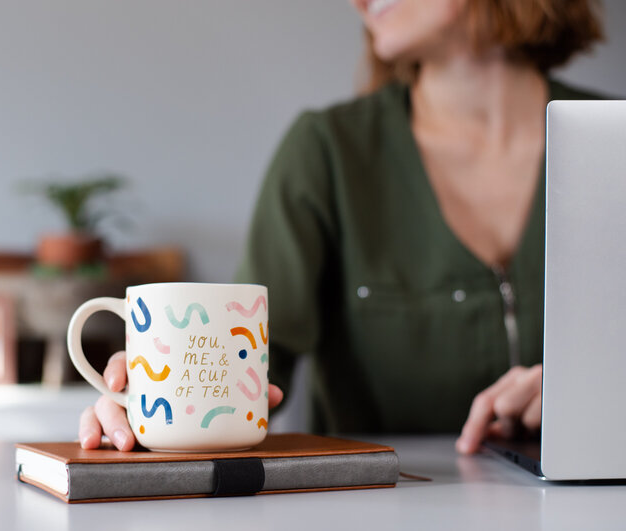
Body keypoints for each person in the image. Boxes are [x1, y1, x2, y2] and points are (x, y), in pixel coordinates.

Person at [78, 0, 605, 454]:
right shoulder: (327, 154)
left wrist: (596, 395)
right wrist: (168, 392)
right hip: (380, 510)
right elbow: (252, 361)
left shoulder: (614, 143)